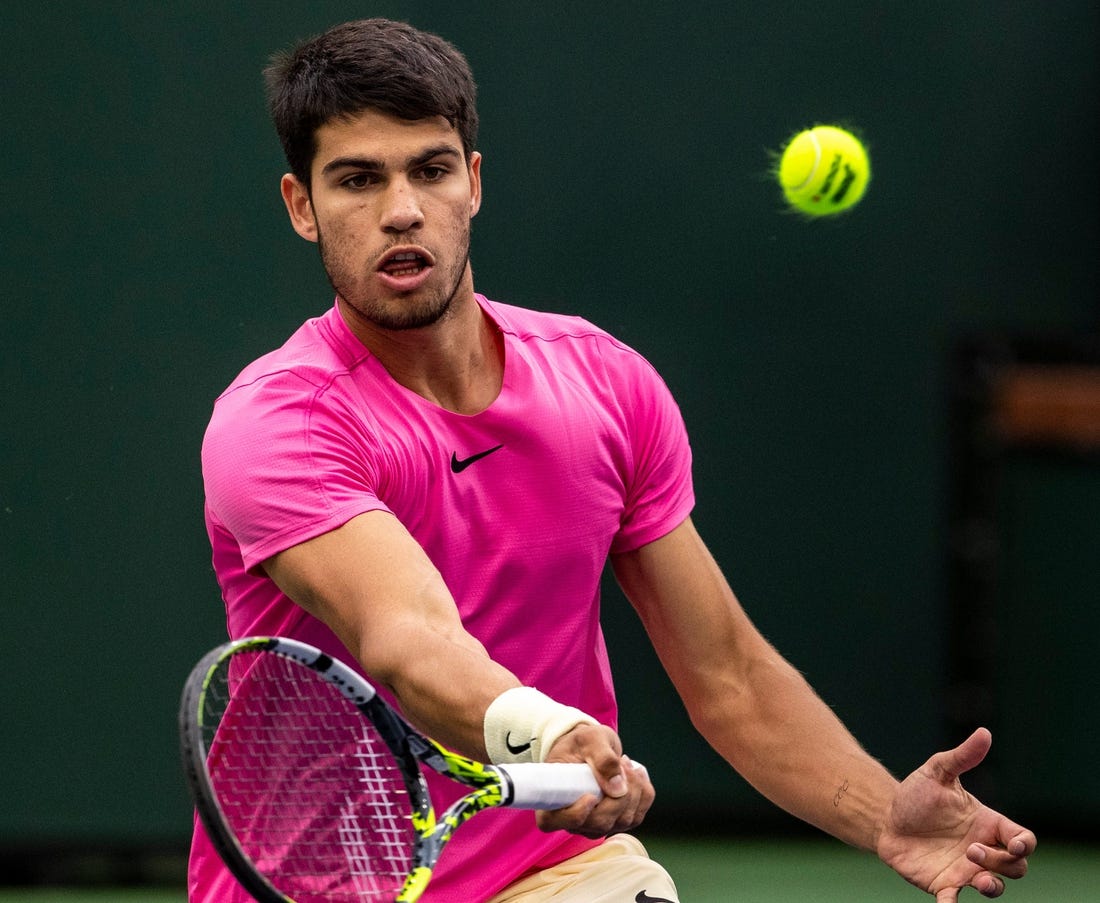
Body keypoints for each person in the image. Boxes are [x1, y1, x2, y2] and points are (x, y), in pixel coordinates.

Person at [193, 17, 1036, 903]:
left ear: (472, 184)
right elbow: (410, 637)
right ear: (301, 205)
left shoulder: (604, 384)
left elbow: (729, 676)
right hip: (315, 886)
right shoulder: (280, 421)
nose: (401, 208)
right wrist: (548, 734)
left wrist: (881, 815)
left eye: (430, 169)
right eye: (358, 179)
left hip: (553, 869)